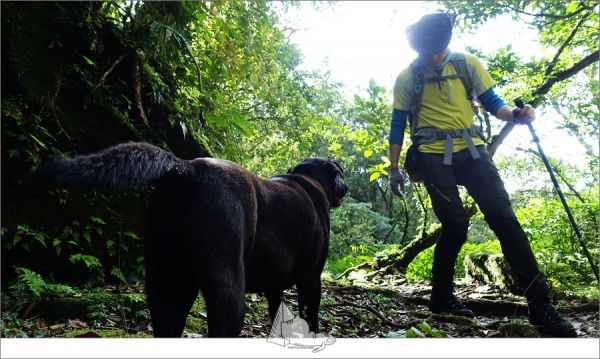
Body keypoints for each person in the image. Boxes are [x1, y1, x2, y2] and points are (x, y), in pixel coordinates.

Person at [388, 12, 576, 337]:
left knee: (504, 219)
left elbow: (492, 102)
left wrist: (515, 115)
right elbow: (397, 124)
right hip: (431, 157)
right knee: (455, 226)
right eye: (425, 50)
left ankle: (540, 304)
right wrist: (393, 169)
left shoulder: (466, 63)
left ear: (445, 43)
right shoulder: (408, 76)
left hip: (472, 151)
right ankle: (442, 296)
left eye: (436, 48)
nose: (432, 55)